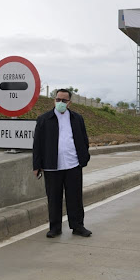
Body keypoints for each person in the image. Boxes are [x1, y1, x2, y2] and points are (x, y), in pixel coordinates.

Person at [33, 88, 92, 238]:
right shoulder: (44, 119)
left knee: (75, 198)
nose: (60, 103)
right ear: (54, 100)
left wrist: (84, 158)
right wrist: (37, 165)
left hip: (73, 164)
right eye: (58, 100)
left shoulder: (77, 119)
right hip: (52, 165)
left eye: (64, 101)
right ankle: (55, 227)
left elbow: (84, 140)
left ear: (69, 103)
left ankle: (78, 226)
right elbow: (37, 144)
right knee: (54, 198)